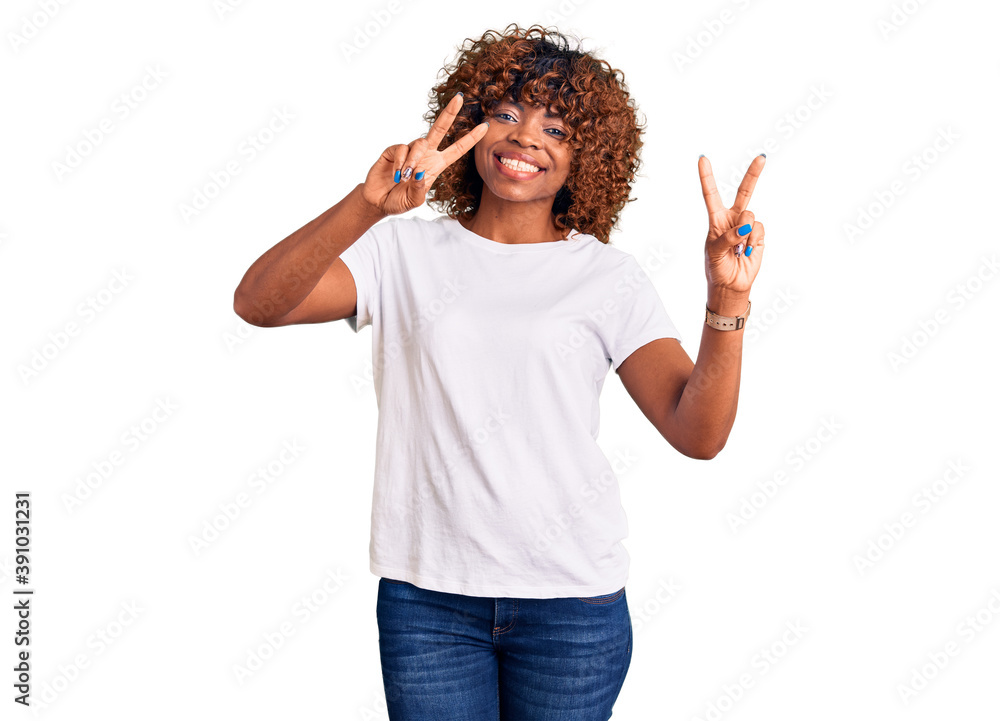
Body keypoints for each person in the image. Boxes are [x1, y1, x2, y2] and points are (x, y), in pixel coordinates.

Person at [233, 23, 766, 721]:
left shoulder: (606, 276)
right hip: (429, 601)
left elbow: (697, 433)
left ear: (587, 156)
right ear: (474, 128)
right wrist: (367, 205)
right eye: (506, 113)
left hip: (572, 608)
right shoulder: (400, 253)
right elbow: (260, 303)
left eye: (556, 125)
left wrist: (727, 298)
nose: (524, 137)